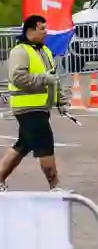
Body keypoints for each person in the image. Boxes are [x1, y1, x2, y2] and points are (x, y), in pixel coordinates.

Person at [0, 14, 71, 193]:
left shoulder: (44, 50)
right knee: (45, 145)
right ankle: (54, 186)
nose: (46, 32)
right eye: (42, 28)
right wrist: (44, 78)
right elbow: (18, 77)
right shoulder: (20, 51)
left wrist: (60, 100)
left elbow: (53, 78)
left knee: (23, 145)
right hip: (27, 107)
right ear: (30, 30)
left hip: (41, 107)